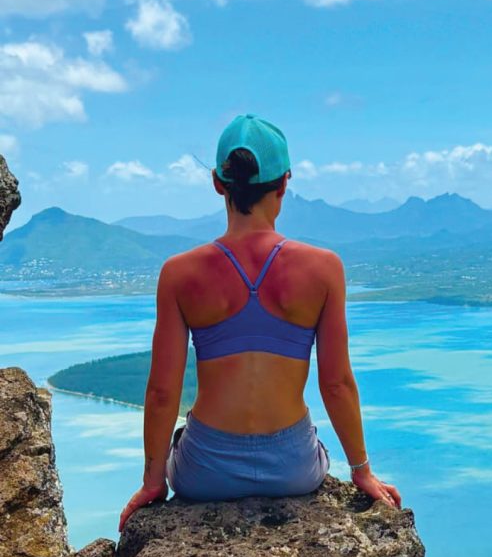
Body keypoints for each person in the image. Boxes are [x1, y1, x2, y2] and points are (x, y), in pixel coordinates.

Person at [118, 114, 401, 531]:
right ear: (284, 183)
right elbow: (336, 383)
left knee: (187, 436)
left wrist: (152, 481)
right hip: (294, 469)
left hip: (204, 472)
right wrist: (361, 471)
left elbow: (162, 392)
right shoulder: (324, 269)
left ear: (218, 183)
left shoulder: (179, 273)